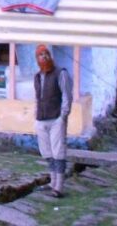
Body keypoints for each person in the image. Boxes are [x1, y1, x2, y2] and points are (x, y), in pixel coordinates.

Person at [34, 44, 72, 198]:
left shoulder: (60, 73)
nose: (43, 57)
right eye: (40, 55)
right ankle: (52, 181)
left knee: (58, 152)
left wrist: (63, 115)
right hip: (41, 118)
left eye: (45, 54)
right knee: (46, 152)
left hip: (56, 118)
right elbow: (38, 98)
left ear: (50, 56)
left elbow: (67, 95)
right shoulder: (37, 77)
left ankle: (59, 186)